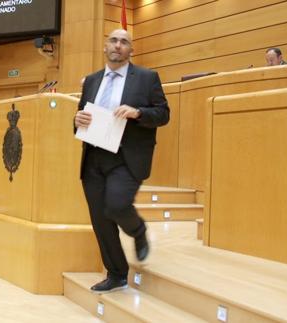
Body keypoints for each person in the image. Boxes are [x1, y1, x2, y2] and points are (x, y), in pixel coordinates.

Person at [74, 29, 170, 293]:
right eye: (113, 41)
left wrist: (138, 112)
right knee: (100, 219)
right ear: (105, 47)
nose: (118, 45)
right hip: (93, 156)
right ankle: (116, 273)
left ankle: (137, 231)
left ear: (131, 50)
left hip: (127, 157)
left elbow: (163, 114)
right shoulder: (92, 81)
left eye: (124, 42)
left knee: (116, 205)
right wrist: (77, 120)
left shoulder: (147, 78)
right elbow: (80, 117)